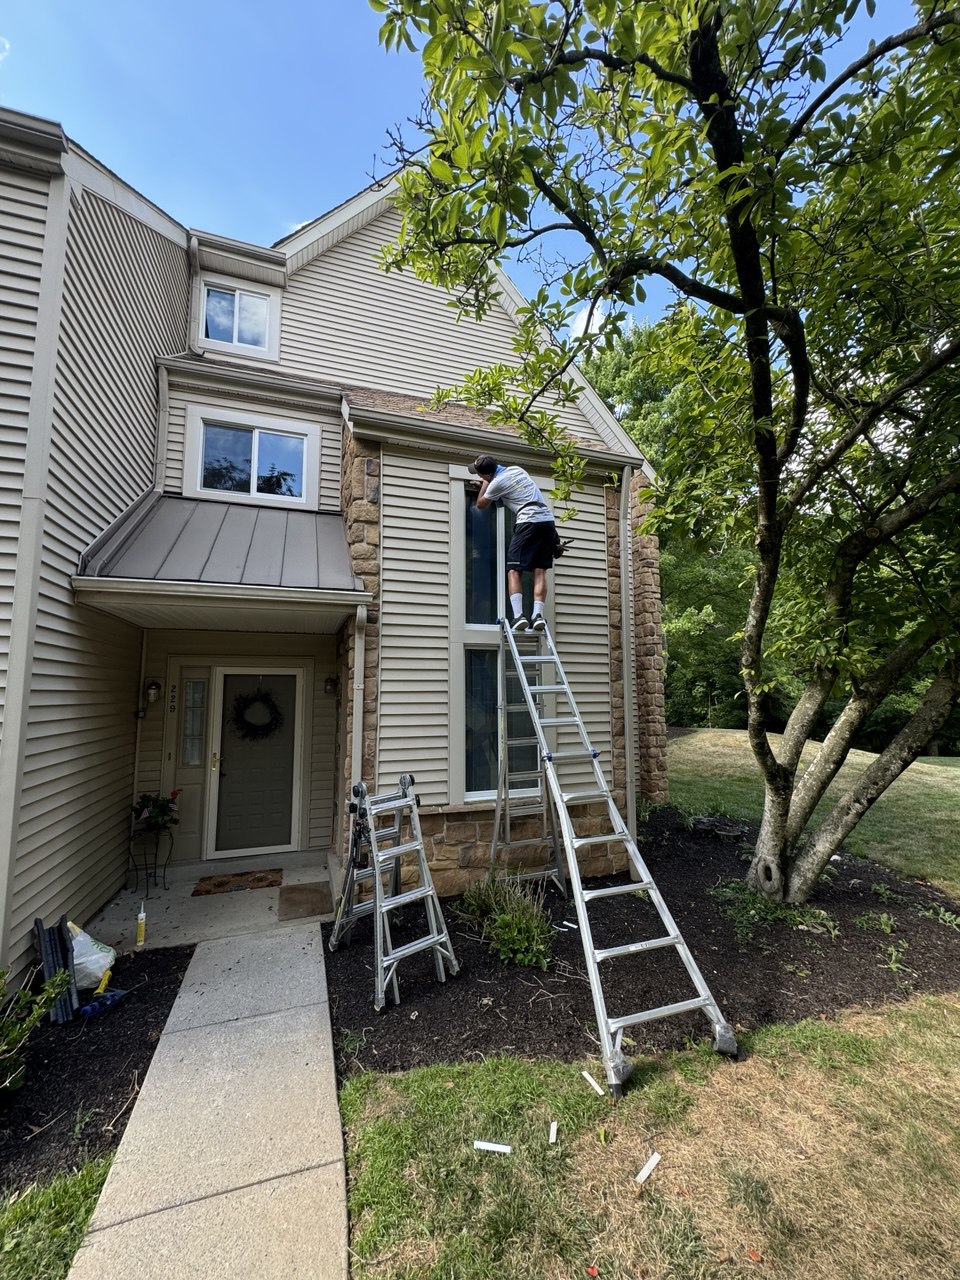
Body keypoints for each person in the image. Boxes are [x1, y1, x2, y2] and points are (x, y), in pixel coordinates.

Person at [467, 453, 556, 632]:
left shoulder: (495, 483)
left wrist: (486, 484)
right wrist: (490, 485)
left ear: (486, 475)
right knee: (539, 570)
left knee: (514, 570)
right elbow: (513, 493)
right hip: (547, 521)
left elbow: (481, 504)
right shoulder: (517, 469)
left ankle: (518, 617)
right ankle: (537, 616)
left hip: (528, 520)